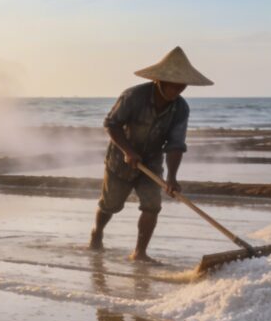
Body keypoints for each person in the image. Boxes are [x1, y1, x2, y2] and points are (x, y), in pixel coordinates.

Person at [89, 46, 213, 262]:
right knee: (110, 205)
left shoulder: (180, 108)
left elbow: (176, 144)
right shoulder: (133, 96)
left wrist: (172, 178)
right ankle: (97, 233)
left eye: (182, 85)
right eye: (174, 84)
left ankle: (140, 252)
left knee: (152, 206)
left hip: (152, 162)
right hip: (120, 160)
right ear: (160, 81)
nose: (179, 89)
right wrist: (128, 151)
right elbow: (112, 124)